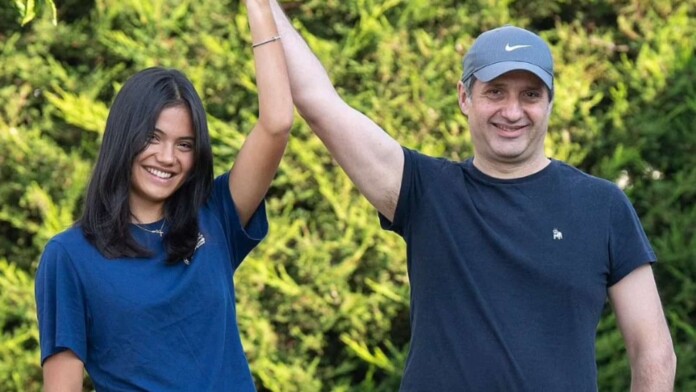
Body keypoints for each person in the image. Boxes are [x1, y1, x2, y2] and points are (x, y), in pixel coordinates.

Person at [268, 2, 676, 390]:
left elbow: (653, 351)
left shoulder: (601, 206)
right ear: (465, 98)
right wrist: (259, 4)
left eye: (530, 95)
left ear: (550, 101)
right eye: (495, 92)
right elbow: (317, 101)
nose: (512, 111)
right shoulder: (424, 191)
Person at [34, 1, 292, 390]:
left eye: (184, 144)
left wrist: (257, 6)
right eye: (153, 138)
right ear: (124, 136)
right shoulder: (69, 256)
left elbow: (277, 124)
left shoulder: (217, 216)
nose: (167, 157)